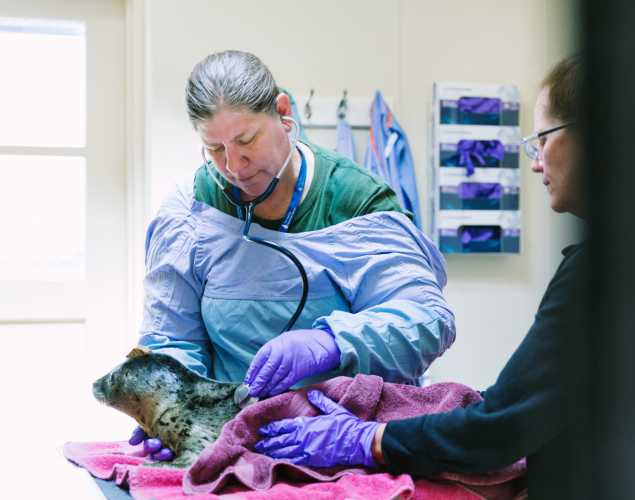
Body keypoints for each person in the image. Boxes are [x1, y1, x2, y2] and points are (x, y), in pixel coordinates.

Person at [255, 56, 587, 498]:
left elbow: (500, 421)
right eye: (215, 150)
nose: (535, 164)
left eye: (541, 140)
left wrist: (364, 430)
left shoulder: (599, 274)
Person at [130, 50, 456, 461]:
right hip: (235, 443)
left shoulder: (358, 202)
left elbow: (426, 320)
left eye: (246, 141)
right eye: (214, 149)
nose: (234, 166)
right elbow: (170, 338)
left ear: (283, 113)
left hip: (348, 440)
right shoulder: (191, 215)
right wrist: (166, 402)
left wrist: (331, 342)